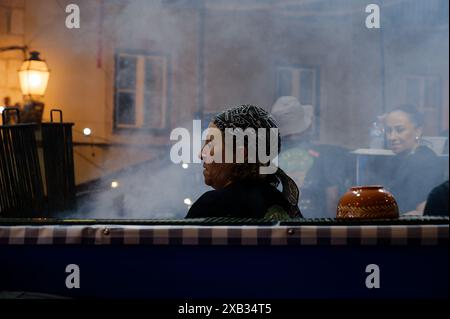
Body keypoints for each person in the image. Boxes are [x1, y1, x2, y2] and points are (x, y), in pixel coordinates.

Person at [185, 104, 302, 219]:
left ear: (241, 153)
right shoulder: (281, 201)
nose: (201, 154)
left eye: (210, 144)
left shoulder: (212, 205)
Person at [270, 96, 351, 218]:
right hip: (314, 228)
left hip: (275, 229)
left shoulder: (265, 157)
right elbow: (332, 199)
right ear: (307, 126)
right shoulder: (324, 155)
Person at [380, 105, 445, 214]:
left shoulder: (425, 162)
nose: (392, 137)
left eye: (399, 130)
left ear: (418, 131)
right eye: (388, 131)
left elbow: (420, 212)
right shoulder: (398, 160)